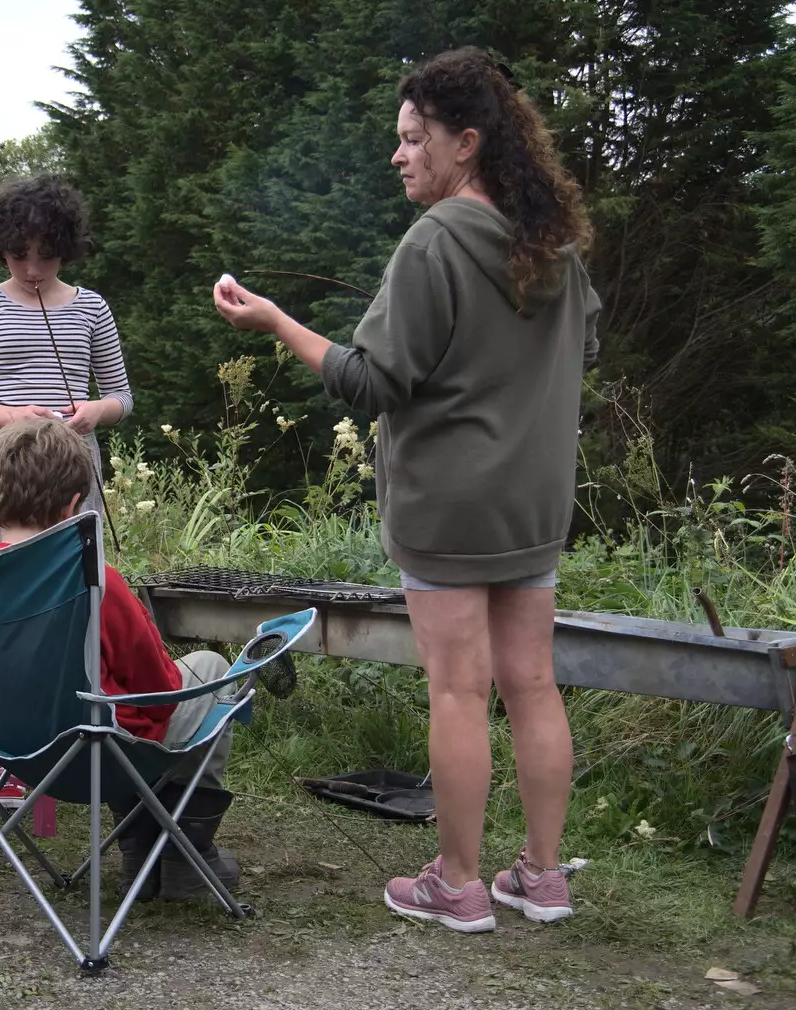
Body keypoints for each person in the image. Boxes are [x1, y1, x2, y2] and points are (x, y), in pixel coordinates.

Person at [213, 47, 600, 933]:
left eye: (413, 138)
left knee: (459, 691)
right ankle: (543, 878)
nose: (399, 155)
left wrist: (276, 322)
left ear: (466, 143)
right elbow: (580, 355)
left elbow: (369, 382)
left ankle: (457, 885)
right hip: (535, 507)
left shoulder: (435, 243)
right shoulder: (556, 247)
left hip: (449, 512)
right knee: (533, 685)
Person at [0, 417, 237, 902]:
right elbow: (158, 692)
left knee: (111, 692)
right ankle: (185, 854)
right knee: (212, 671)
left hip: (12, 745)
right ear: (74, 504)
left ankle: (139, 849)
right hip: (97, 750)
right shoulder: (94, 578)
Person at [0, 174, 133, 553]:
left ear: (66, 248)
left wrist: (96, 410)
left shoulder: (92, 307)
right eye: (18, 256)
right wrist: (11, 418)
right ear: (0, 249)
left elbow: (122, 397)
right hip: (4, 466)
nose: (32, 270)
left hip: (70, 464)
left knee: (74, 573)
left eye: (45, 256)